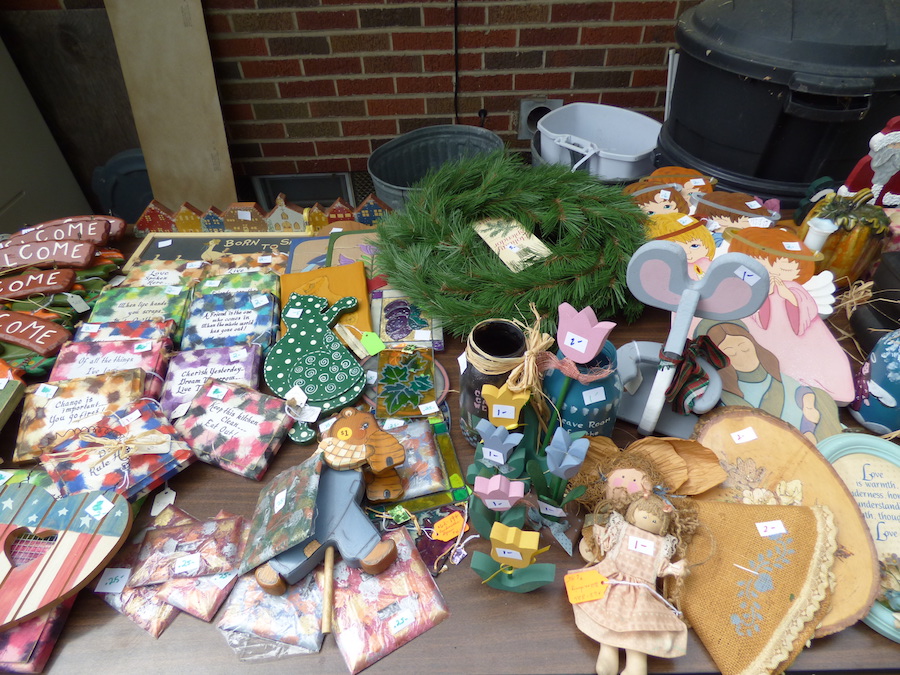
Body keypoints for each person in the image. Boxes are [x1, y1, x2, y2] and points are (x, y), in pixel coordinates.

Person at [723, 227, 855, 404]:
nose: (773, 272)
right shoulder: (746, 283)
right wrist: (763, 293)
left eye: (784, 268)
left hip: (795, 335)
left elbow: (805, 312)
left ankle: (823, 388)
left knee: (814, 360)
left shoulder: (793, 287)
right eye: (764, 264)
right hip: (758, 333)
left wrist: (787, 295)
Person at [570, 492, 697, 675]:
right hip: (614, 581)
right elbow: (607, 544)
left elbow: (661, 568)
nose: (649, 519)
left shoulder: (662, 544)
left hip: (642, 591)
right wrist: (600, 536)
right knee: (610, 616)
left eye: (655, 519)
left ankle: (637, 665)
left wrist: (675, 569)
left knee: (638, 627)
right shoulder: (622, 529)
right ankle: (608, 653)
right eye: (644, 514)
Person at [703, 321, 842, 442]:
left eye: (744, 347)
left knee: (821, 398)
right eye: (731, 353)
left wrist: (808, 408)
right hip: (773, 446)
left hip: (810, 436)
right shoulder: (725, 398)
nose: (741, 355)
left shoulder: (777, 378)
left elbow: (802, 392)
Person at [841, 116, 900, 207]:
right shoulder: (868, 164)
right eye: (894, 144)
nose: (896, 149)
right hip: (861, 205)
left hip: (889, 206)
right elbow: (854, 186)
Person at [646, 212, 715, 280]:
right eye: (675, 248)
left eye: (694, 246)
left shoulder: (707, 264)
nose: (687, 252)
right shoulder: (664, 271)